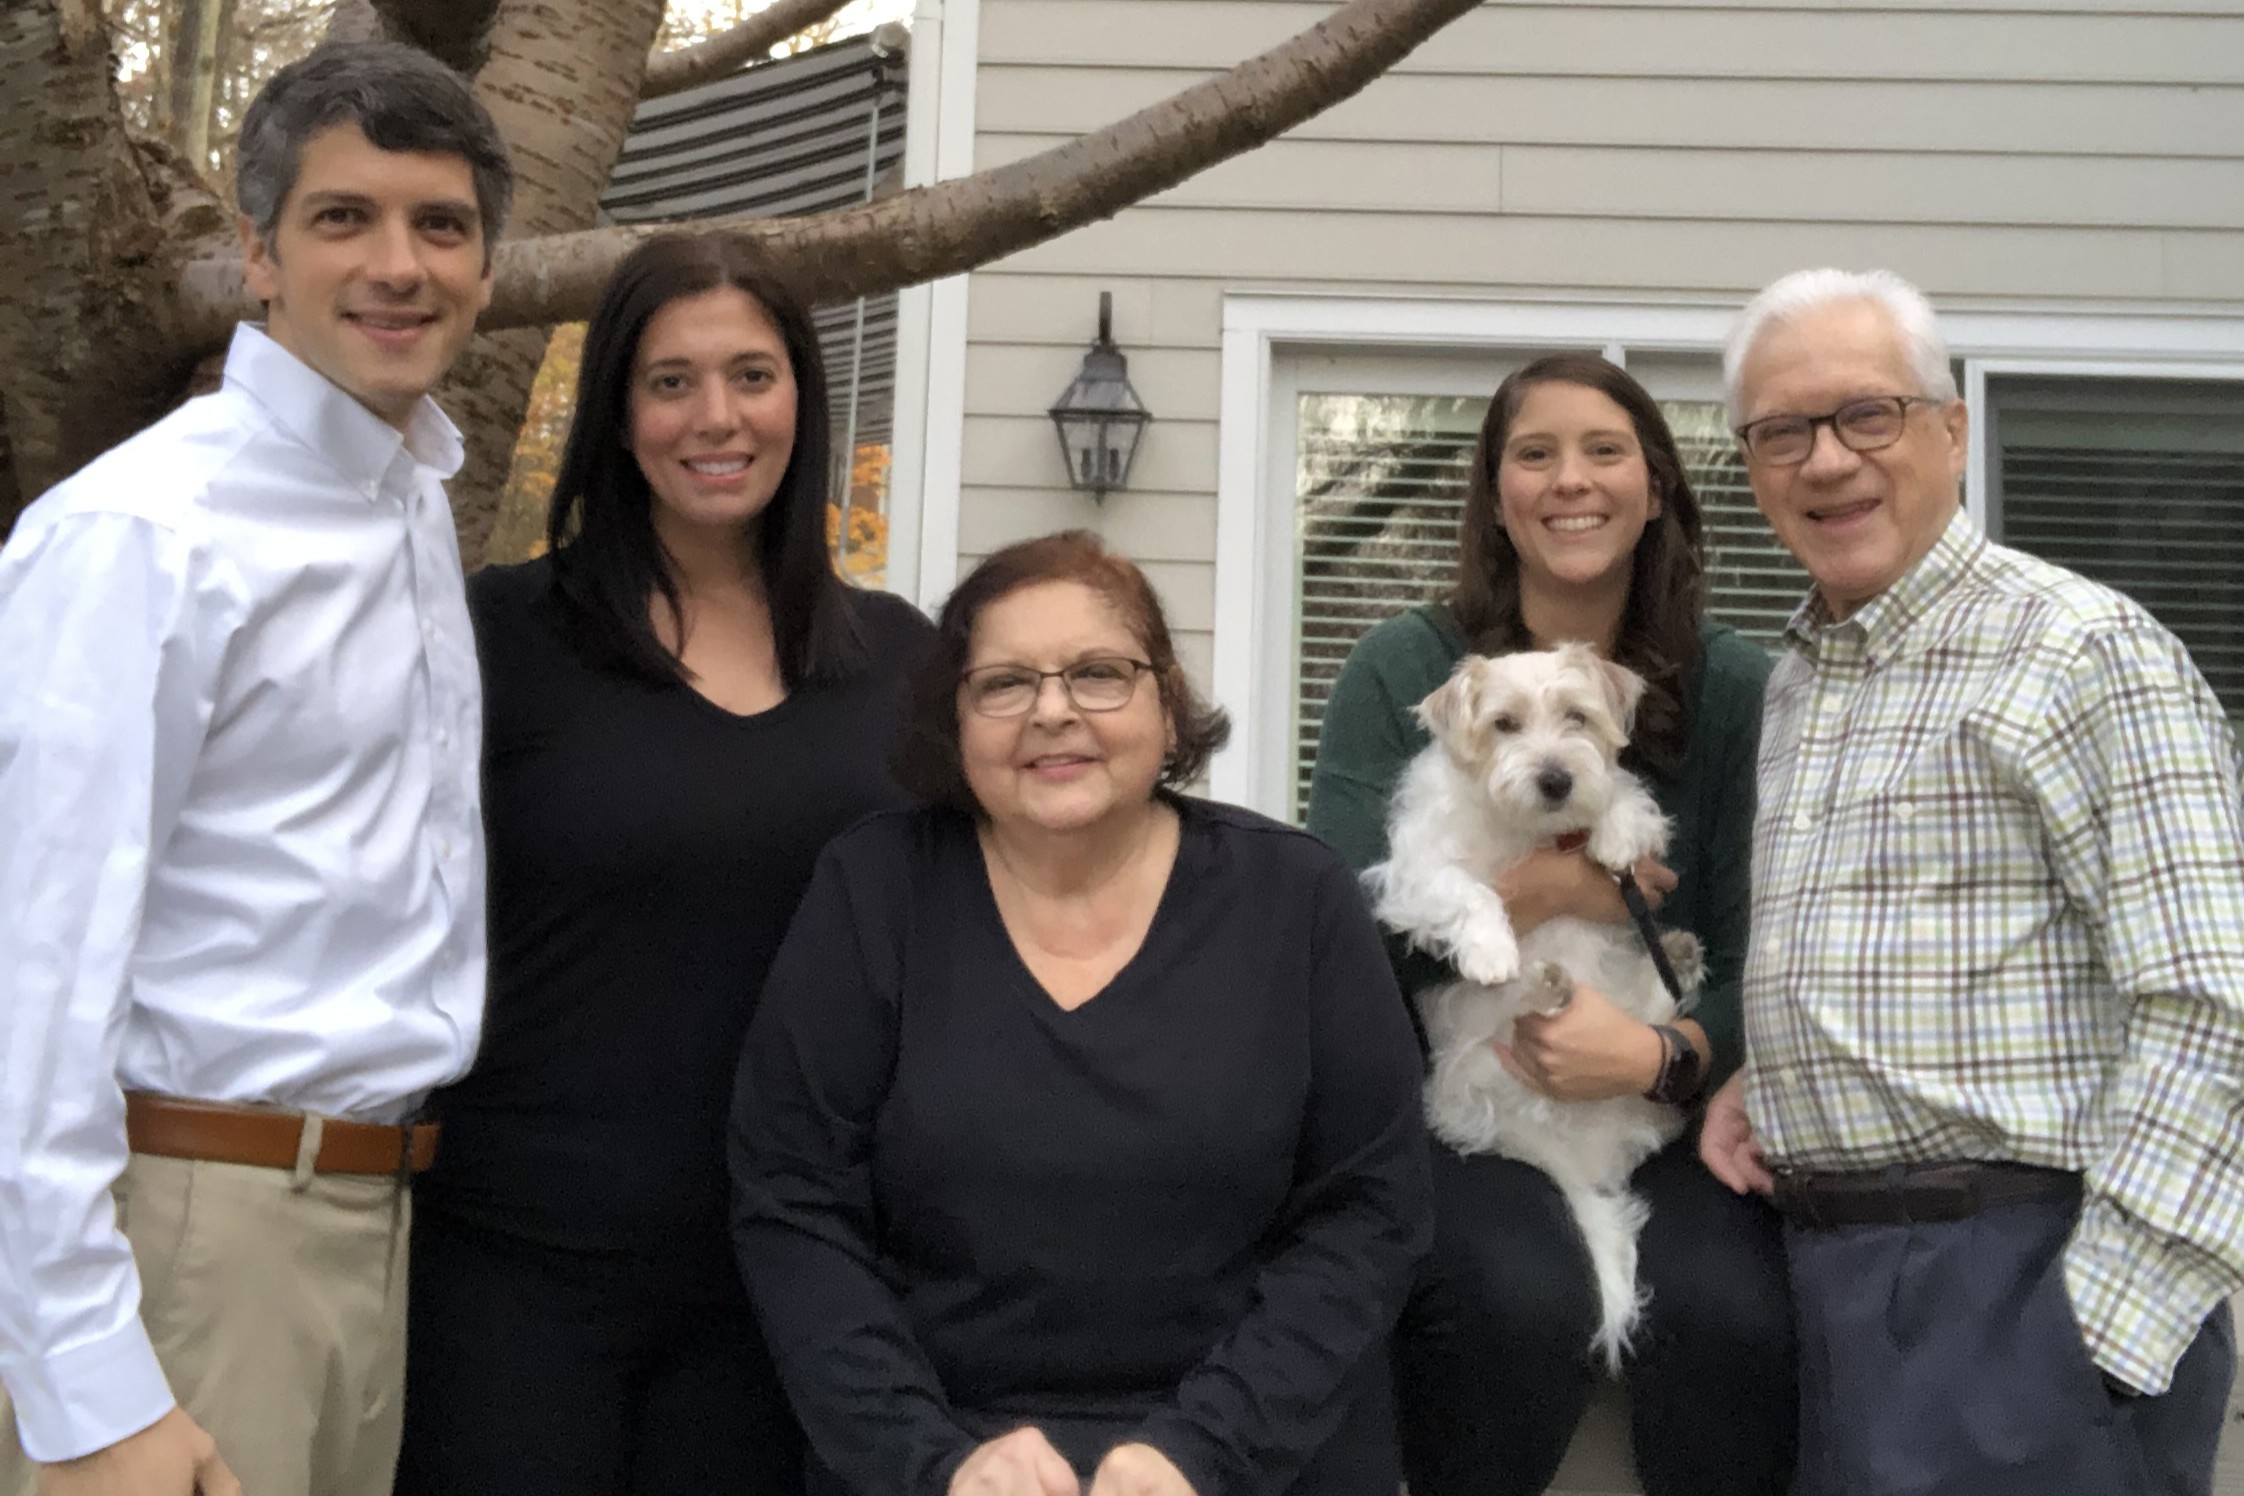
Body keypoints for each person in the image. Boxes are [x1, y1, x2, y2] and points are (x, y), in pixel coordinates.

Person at [0, 40, 512, 1496]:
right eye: (344, 218)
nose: (398, 265)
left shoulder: (405, 504)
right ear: (259, 255)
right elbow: (31, 974)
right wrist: (89, 1391)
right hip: (190, 1239)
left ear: (486, 263)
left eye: (443, 224)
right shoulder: (146, 535)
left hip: (364, 1235)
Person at [392, 232, 934, 1496]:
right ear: (618, 415)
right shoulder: (501, 635)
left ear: (802, 392)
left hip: (791, 1283)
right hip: (515, 1266)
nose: (717, 417)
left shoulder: (904, 663)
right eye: (671, 380)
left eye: (752, 374)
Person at [730, 530, 1432, 1496]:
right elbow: (791, 1201)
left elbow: (1370, 1209)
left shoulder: (1297, 899)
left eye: (1099, 673)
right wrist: (933, 1460)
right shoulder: (875, 890)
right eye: (1005, 683)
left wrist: (1198, 1454)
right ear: (956, 717)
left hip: (1257, 1446)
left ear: (1166, 701)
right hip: (939, 1446)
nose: (1053, 711)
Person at [1699, 267, 2244, 1496]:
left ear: (1950, 429)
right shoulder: (1800, 681)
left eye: (1867, 415)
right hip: (1828, 1284)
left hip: (2018, 1281)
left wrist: (2096, 1332)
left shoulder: (2084, 654)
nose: (1826, 460)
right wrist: (1774, 1072)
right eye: (1782, 430)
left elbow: (2216, 1001)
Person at [1306, 352, 1797, 1496]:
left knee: (1731, 1312)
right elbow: (1331, 935)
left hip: (1667, 1096)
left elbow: (1768, 935)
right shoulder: (1401, 668)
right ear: (1494, 493)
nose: (1570, 480)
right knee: (1515, 1298)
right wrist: (1543, 894)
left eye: (1605, 449)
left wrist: (1668, 1052)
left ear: (1658, 484)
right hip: (1460, 1090)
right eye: (1534, 454)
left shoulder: (1733, 686)